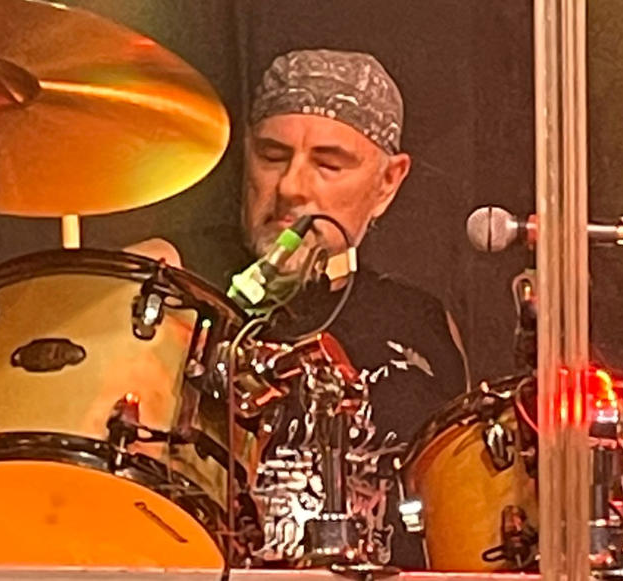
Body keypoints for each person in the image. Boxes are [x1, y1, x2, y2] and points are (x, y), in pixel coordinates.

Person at [129, 49, 468, 568]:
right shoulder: (165, 279)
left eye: (328, 164)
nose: (291, 187)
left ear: (388, 182)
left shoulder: (422, 323)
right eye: (271, 156)